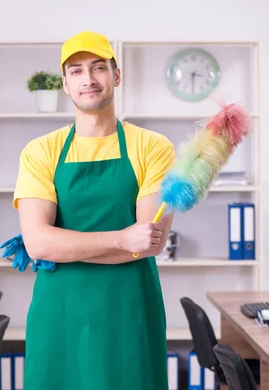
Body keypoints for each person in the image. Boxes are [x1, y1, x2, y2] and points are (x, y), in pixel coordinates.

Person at [12, 31, 176, 389]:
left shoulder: (153, 147)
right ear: (65, 84)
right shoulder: (41, 151)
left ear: (116, 76)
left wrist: (67, 246)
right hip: (61, 313)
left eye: (98, 68)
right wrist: (122, 239)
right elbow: (38, 244)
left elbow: (148, 241)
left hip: (130, 309)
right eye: (76, 71)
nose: (88, 79)